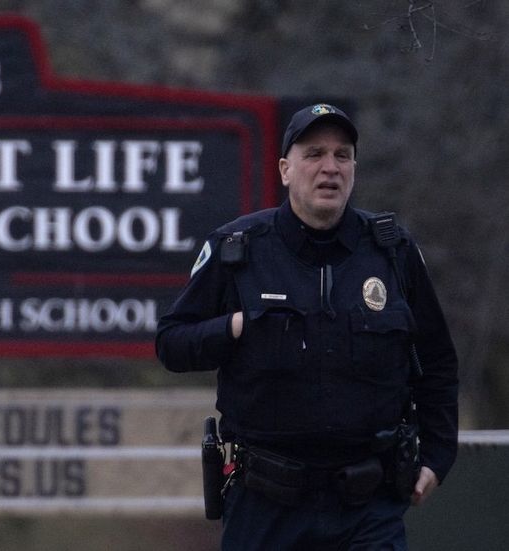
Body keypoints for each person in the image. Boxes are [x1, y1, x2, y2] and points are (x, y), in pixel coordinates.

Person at [155, 103, 458, 550]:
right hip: (266, 504)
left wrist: (437, 455)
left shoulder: (391, 251)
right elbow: (171, 343)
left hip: (367, 504)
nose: (330, 168)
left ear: (354, 167)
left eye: (343, 155)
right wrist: (236, 327)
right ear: (285, 169)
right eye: (314, 154)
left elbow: (436, 360)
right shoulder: (238, 249)